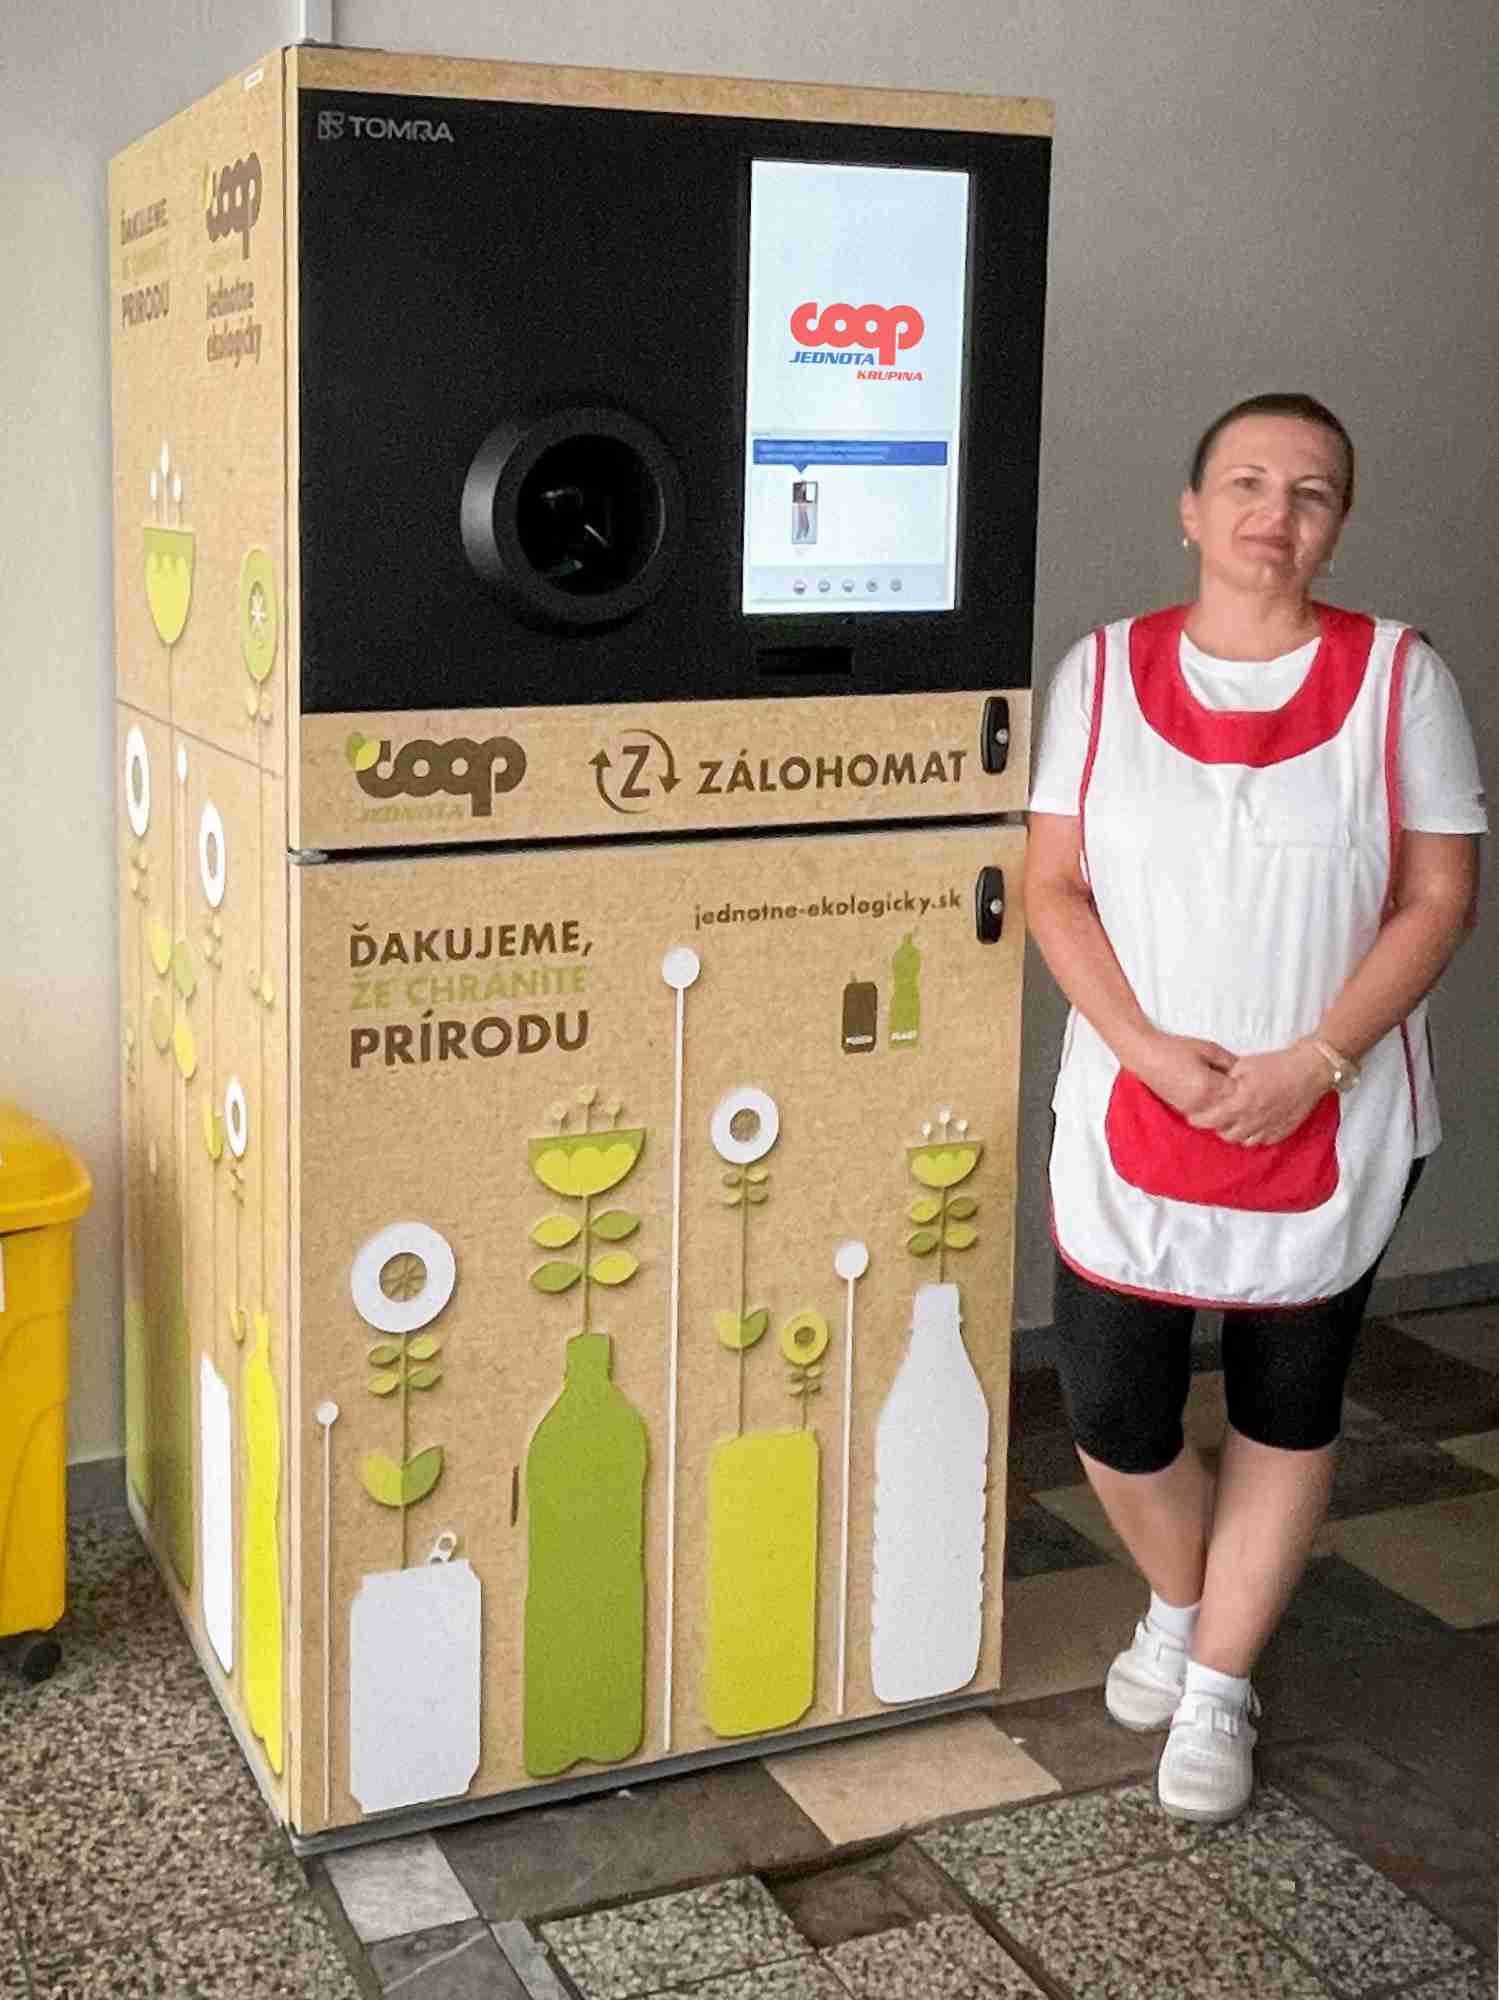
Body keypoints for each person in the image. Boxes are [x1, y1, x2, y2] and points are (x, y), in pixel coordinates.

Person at [1024, 392, 1486, 1825]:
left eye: (1310, 493)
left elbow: (1437, 897)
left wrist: (1317, 1060)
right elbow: (1055, 886)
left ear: (1337, 524)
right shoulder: (1101, 673)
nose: (1273, 515)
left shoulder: (1400, 677)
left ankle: (1218, 1678)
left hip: (1332, 1105)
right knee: (1114, 1408)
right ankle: (1182, 1598)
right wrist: (1148, 1051)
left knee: (1289, 1403)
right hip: (1134, 1099)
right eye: (1244, 482)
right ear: (1190, 508)